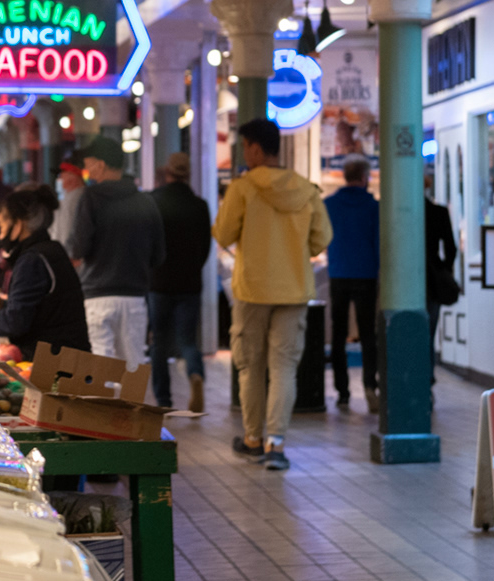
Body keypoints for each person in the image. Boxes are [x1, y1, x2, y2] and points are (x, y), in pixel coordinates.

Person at [213, 117, 332, 472]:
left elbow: (222, 233)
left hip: (252, 290)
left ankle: (252, 439)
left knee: (250, 366)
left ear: (254, 147)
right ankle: (276, 444)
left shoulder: (243, 188)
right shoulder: (306, 189)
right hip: (294, 290)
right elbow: (322, 239)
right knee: (284, 368)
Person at [63, 134, 166, 378]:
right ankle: (131, 417)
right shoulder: (145, 201)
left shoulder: (91, 198)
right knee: (133, 368)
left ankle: (102, 416)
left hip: (97, 296)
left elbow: (78, 248)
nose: (86, 170)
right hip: (133, 297)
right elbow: (159, 255)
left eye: (87, 164)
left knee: (100, 367)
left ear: (100, 164)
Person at [0, 184, 91, 355]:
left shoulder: (32, 260)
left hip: (53, 368)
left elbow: (15, 322)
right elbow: (43, 311)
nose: (0, 235)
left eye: (2, 227)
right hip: (71, 359)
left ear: (18, 225)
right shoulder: (51, 250)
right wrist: (4, 305)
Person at [147, 152, 212, 415]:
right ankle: (195, 374)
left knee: (159, 342)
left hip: (159, 281)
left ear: (167, 173)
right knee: (187, 340)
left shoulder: (154, 201)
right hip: (189, 282)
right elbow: (206, 246)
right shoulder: (199, 205)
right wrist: (193, 267)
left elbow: (148, 242)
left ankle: (163, 399)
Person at [323, 156, 381, 409]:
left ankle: (343, 391)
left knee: (338, 334)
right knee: (368, 333)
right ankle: (370, 385)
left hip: (338, 273)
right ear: (364, 177)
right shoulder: (373, 207)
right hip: (366, 274)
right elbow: (379, 243)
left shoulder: (329, 205)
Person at [425, 178, 460, 385]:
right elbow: (451, 248)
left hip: (406, 280)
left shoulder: (398, 213)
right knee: (428, 333)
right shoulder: (438, 212)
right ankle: (427, 379)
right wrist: (443, 270)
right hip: (433, 280)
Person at [51, 160, 85, 257]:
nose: (60, 178)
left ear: (73, 176)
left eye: (62, 174)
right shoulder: (69, 197)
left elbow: (67, 230)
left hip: (69, 257)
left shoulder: (77, 198)